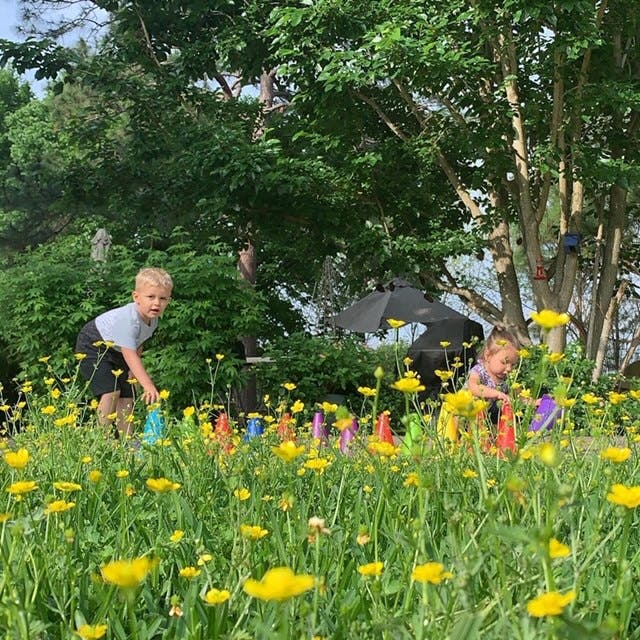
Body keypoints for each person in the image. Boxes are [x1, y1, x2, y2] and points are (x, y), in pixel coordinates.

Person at [75, 267, 173, 438]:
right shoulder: (128, 319)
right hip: (93, 344)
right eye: (151, 297)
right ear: (136, 297)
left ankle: (127, 441)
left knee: (128, 395)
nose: (157, 303)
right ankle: (101, 439)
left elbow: (138, 342)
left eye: (162, 298)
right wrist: (148, 385)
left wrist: (132, 372)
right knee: (111, 391)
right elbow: (129, 353)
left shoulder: (153, 320)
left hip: (118, 350)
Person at [466, 326, 521, 425]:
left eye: (513, 364)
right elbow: (473, 387)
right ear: (488, 356)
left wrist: (533, 402)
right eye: (504, 362)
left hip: (490, 418)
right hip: (469, 416)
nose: (509, 369)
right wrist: (497, 394)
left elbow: (519, 396)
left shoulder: (507, 378)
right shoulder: (479, 371)